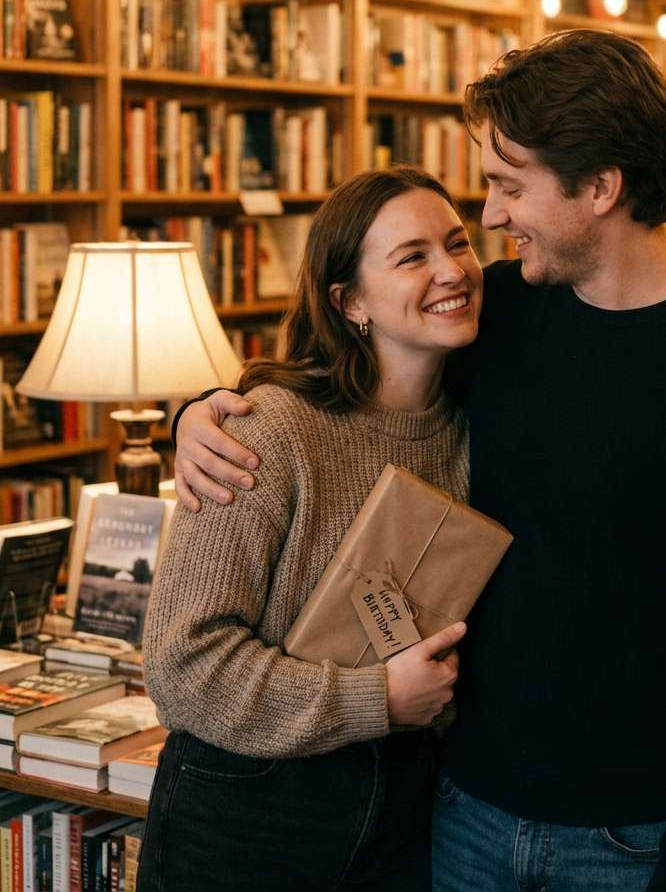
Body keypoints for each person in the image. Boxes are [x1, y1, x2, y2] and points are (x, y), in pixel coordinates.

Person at [174, 30, 666, 892]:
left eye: (510, 186)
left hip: (632, 838)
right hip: (459, 814)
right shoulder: (497, 311)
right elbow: (352, 379)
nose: (488, 218)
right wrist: (196, 414)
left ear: (600, 188)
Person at [138, 168, 480, 892]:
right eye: (412, 257)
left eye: (458, 242)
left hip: (409, 807)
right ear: (349, 301)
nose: (453, 270)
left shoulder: (483, 427)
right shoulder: (269, 431)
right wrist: (377, 698)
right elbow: (181, 665)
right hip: (247, 811)